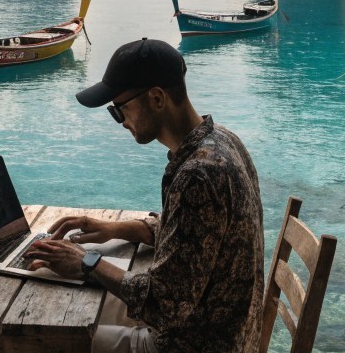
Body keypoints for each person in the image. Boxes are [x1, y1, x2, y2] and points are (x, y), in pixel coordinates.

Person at [24, 38, 264, 353]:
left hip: (192, 344)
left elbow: (162, 302)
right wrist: (116, 228)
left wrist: (87, 261)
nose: (121, 122)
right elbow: (195, 236)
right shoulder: (222, 141)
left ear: (156, 98)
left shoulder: (197, 176)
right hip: (227, 333)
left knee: (48, 337)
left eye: (120, 109)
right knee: (81, 299)